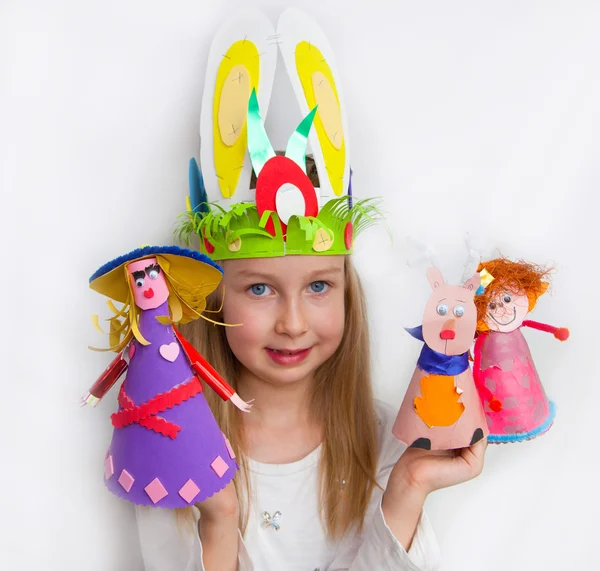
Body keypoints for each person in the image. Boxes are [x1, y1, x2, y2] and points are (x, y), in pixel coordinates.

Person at [135, 9, 487, 570]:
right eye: (260, 290)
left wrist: (409, 486)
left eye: (319, 285)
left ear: (349, 293)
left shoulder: (386, 435)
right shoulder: (171, 441)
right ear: (217, 295)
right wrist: (220, 522)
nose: (293, 321)